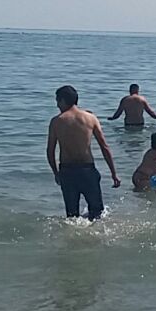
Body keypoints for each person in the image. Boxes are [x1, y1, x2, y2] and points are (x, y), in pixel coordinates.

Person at [47, 85, 120, 220]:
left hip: (67, 171)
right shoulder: (90, 118)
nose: (57, 105)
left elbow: (50, 151)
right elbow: (104, 147)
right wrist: (113, 173)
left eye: (58, 101)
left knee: (72, 216)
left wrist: (56, 173)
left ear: (63, 100)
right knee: (97, 212)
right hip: (87, 170)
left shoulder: (57, 121)